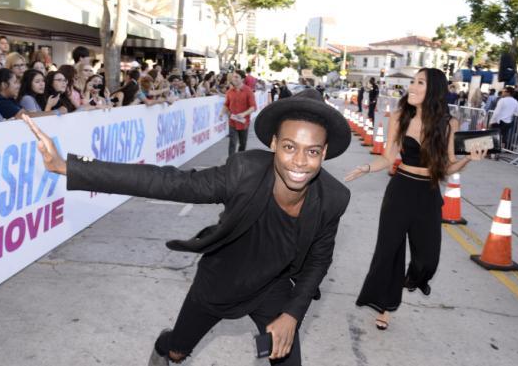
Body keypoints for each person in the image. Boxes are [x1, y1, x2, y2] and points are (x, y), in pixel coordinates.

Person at [21, 87, 352, 366]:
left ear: (323, 153)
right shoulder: (244, 172)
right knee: (178, 351)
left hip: (273, 288)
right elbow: (167, 182)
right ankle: (165, 347)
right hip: (220, 280)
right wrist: (70, 168)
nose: (298, 161)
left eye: (311, 151)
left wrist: (292, 314)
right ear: (274, 144)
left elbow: (319, 260)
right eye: (290, 147)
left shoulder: (334, 198)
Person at [345, 68, 487, 331]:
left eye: (419, 82)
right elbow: (388, 158)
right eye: (412, 81)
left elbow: (446, 167)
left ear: (432, 89)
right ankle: (386, 306)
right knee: (388, 253)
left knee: (427, 258)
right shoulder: (400, 117)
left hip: (428, 193)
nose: (412, 87)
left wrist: (468, 159)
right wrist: (366, 168)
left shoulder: (448, 123)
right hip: (400, 190)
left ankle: (407, 281)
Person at [219, 69, 257, 156]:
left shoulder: (248, 91)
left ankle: (240, 160)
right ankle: (231, 162)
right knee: (232, 143)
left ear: (242, 79)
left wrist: (243, 114)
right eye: (233, 76)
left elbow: (253, 107)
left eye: (236, 77)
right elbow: (226, 104)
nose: (234, 78)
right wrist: (222, 113)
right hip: (232, 122)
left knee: (242, 144)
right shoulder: (229, 92)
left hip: (244, 123)